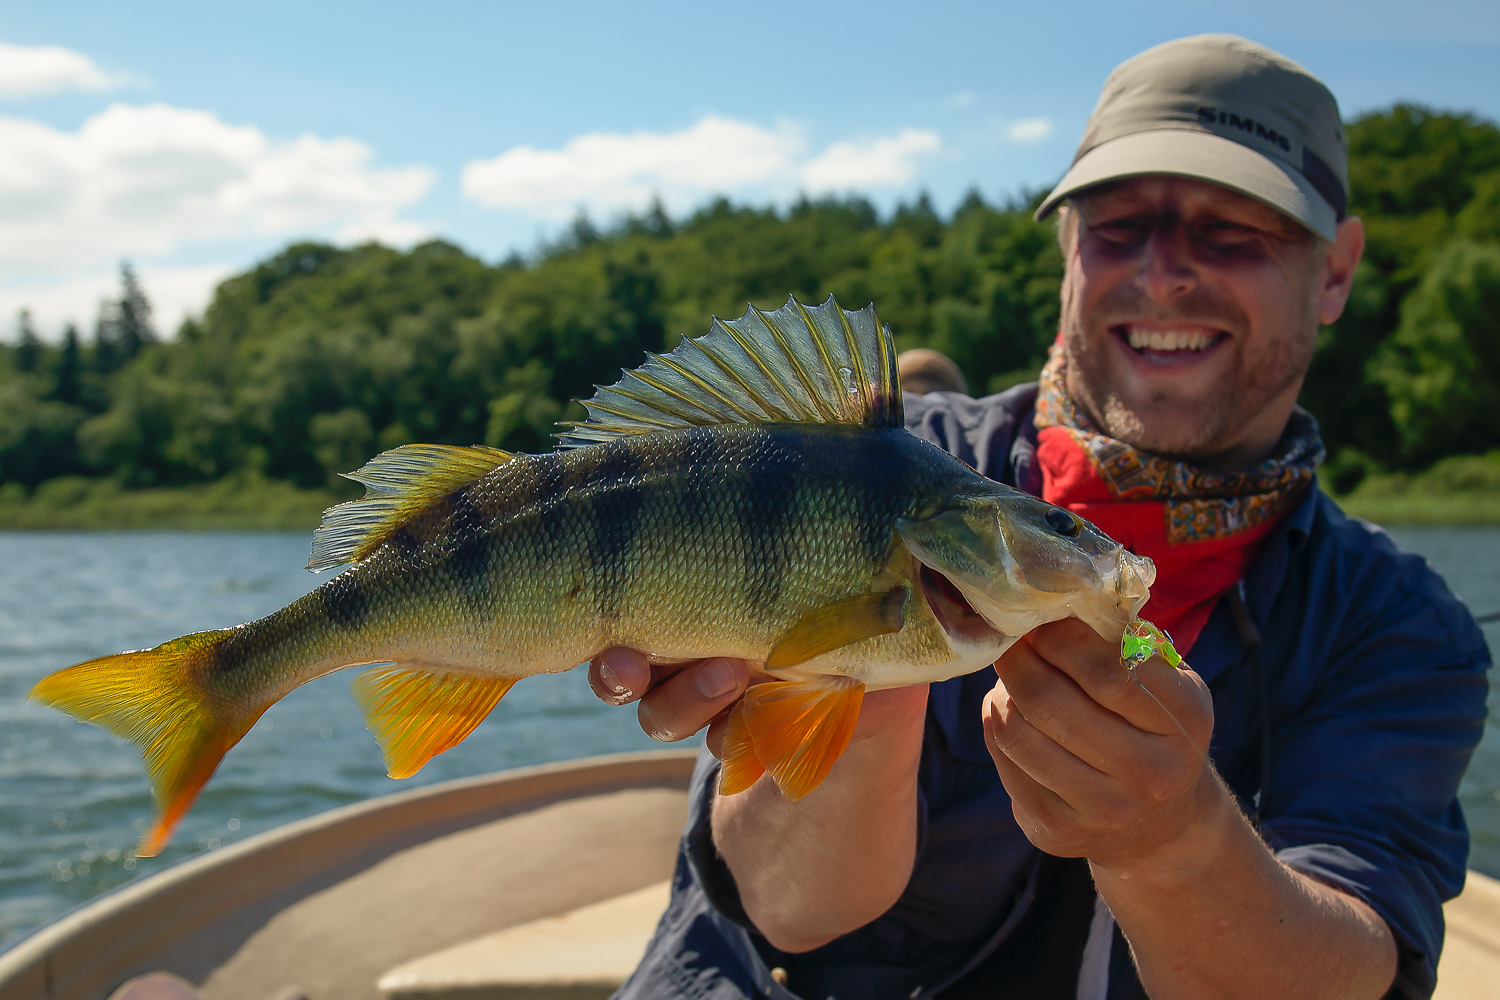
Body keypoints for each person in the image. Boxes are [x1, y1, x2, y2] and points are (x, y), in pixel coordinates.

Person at [590, 35, 1490, 999]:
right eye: (1117, 224)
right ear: (1068, 247)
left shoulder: (1397, 627)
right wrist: (860, 673)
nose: (1163, 272)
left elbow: (1349, 971)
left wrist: (1175, 840)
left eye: (1235, 229)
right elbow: (784, 909)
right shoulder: (864, 466)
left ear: (1336, 271)